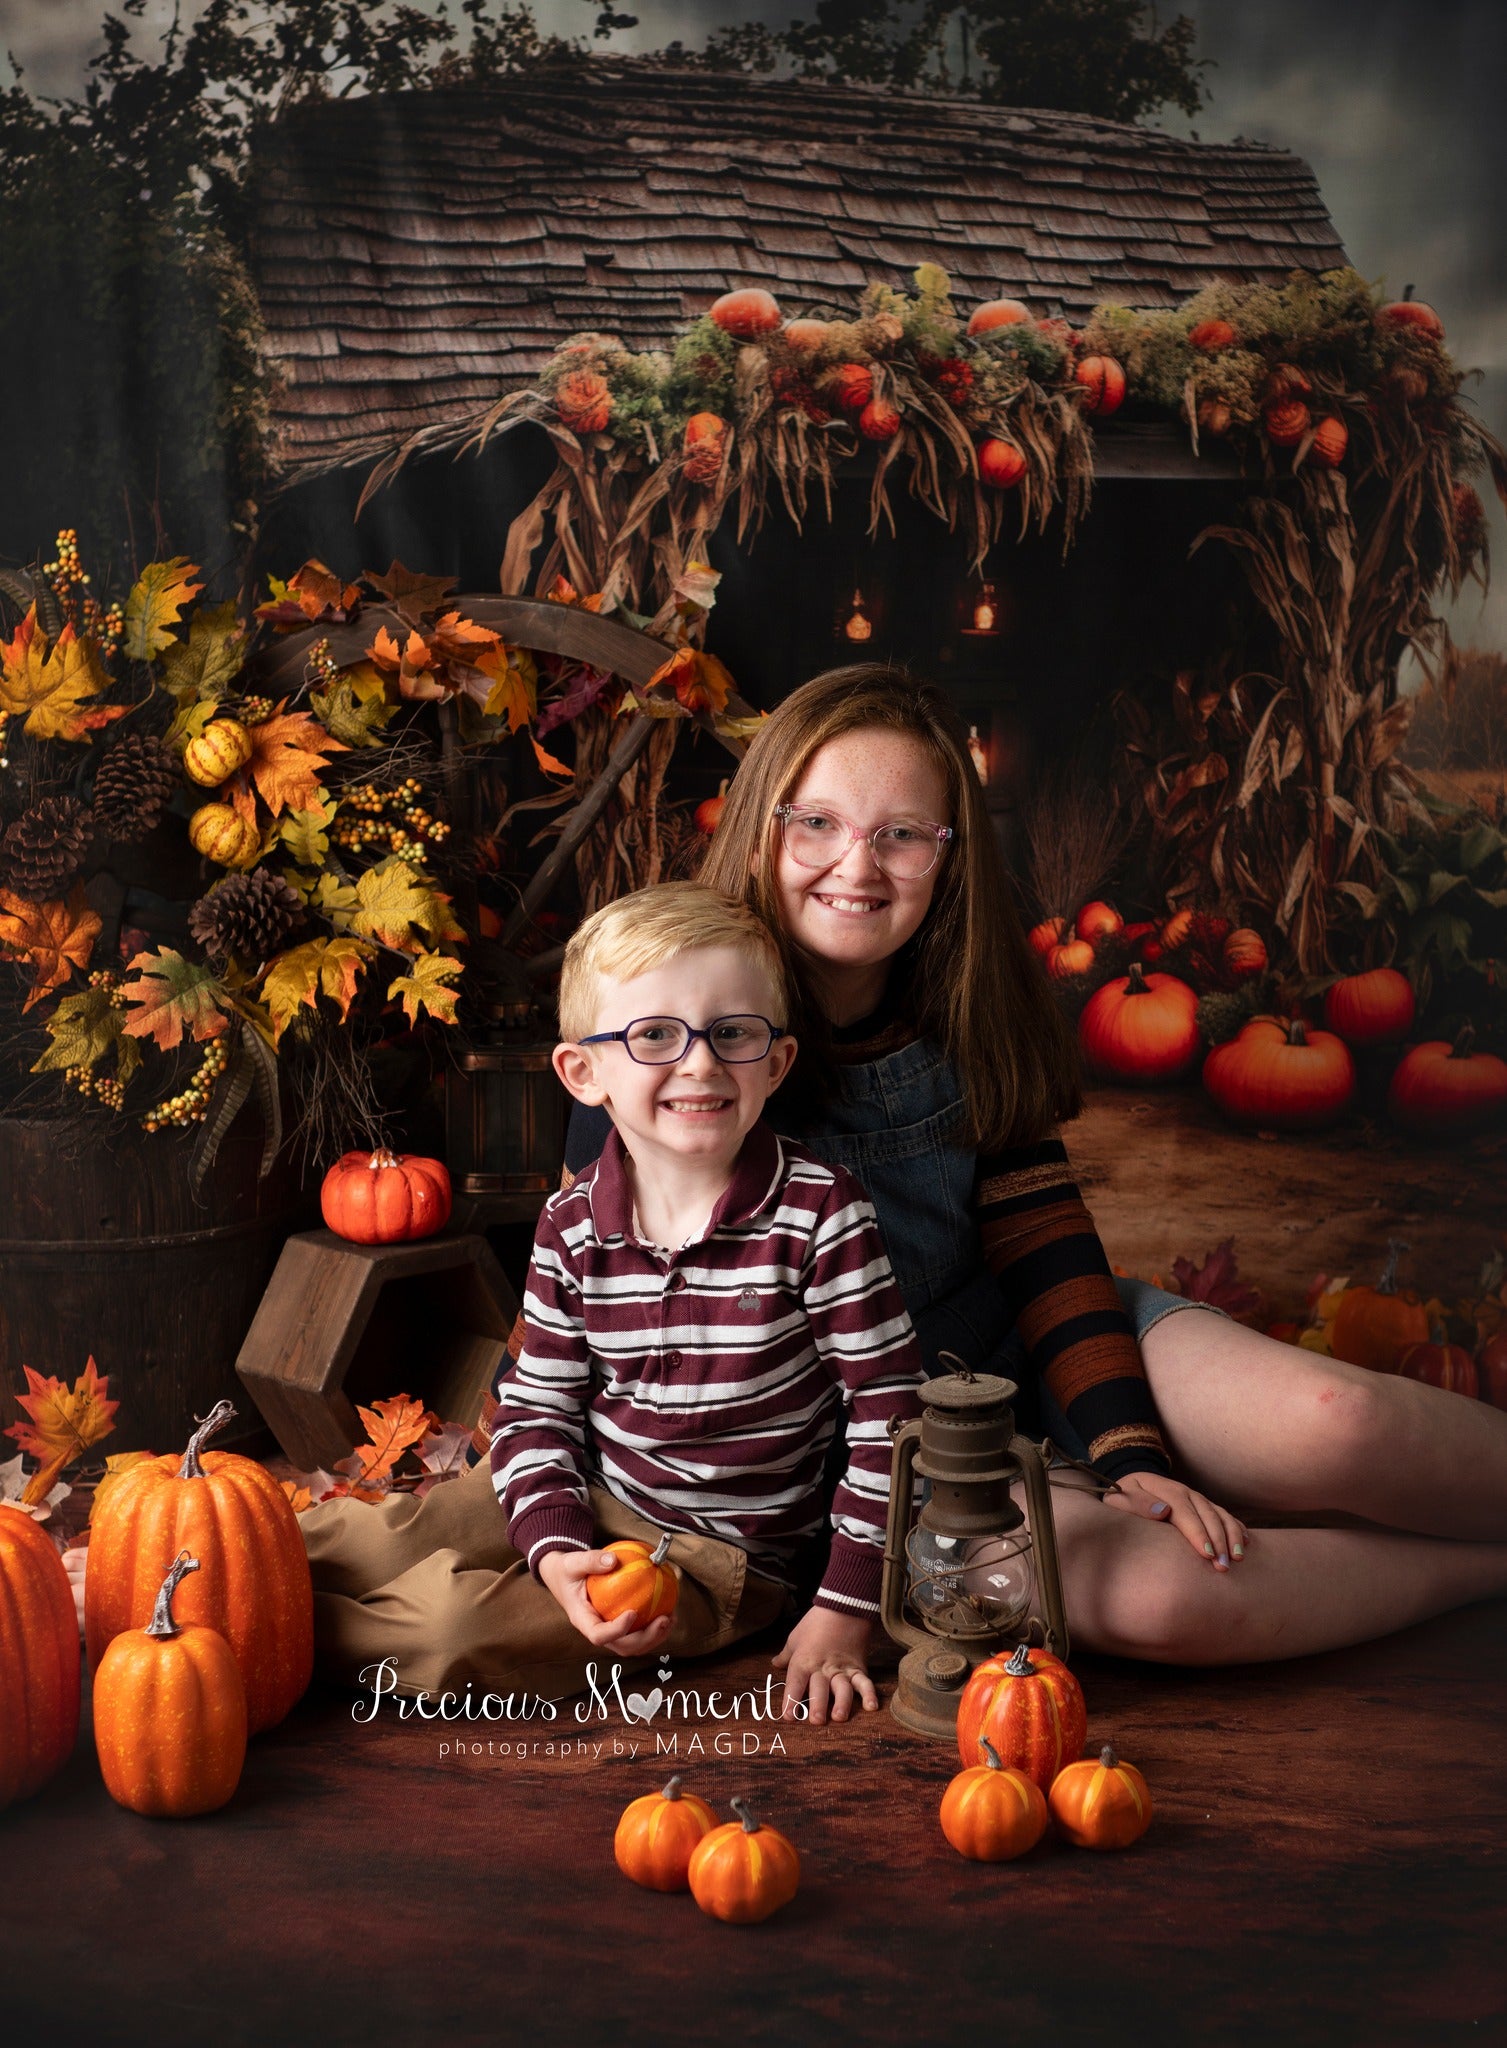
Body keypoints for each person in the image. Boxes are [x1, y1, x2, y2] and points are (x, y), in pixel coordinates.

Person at [560, 663, 1507, 1692]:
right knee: (1151, 1597)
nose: (857, 864)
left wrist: (1126, 1446)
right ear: (757, 826)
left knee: (1340, 1418)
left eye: (901, 833)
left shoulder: (965, 1010)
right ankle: (1479, 1573)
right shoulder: (662, 1035)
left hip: (1034, 1350)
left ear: (949, 856)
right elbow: (596, 1311)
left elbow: (1045, 1250)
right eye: (818, 822)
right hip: (886, 1456)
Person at [295, 880, 927, 1717]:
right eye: (655, 1036)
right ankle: (171, 1572)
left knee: (454, 1627)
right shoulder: (572, 1224)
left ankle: (248, 1632)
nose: (699, 1062)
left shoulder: (819, 1215)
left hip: (715, 1562)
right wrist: (555, 1543)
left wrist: (843, 1609)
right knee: (375, 1538)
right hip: (585, 1488)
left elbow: (894, 1417)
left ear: (774, 1061)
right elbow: (537, 1410)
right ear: (582, 1071)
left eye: (732, 1034)